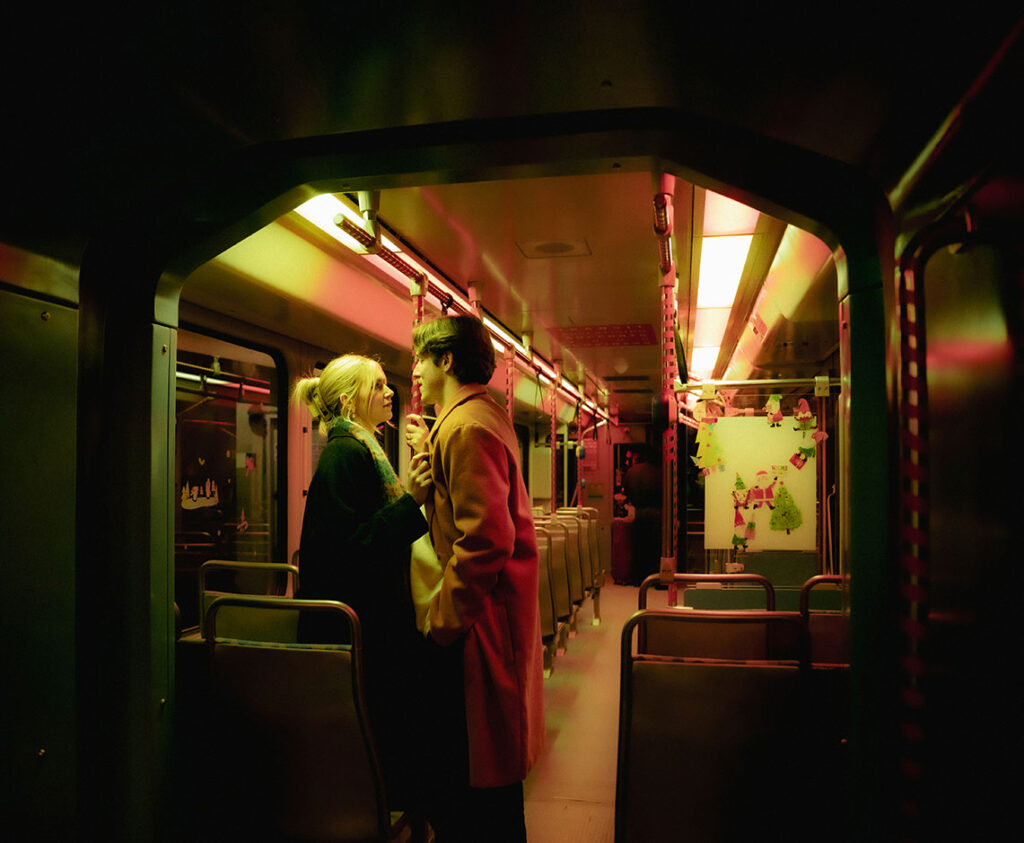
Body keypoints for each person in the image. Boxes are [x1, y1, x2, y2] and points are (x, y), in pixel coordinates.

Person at [406, 315, 544, 842]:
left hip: (476, 630)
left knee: (476, 798)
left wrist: (441, 620)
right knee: (490, 797)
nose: (414, 370)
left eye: (422, 358)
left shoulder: (465, 428)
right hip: (489, 622)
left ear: (446, 360)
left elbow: (485, 538)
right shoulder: (481, 418)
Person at [292, 354, 433, 809]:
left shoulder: (360, 450)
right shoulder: (346, 455)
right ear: (351, 402)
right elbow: (353, 549)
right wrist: (412, 502)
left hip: (367, 620)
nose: (390, 392)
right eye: (378, 386)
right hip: (360, 627)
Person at [623, 444, 662, 585]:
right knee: (655, 548)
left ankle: (639, 578)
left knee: (639, 547)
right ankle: (655, 579)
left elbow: (626, 491)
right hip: (657, 514)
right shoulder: (660, 472)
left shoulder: (632, 472)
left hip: (639, 513)